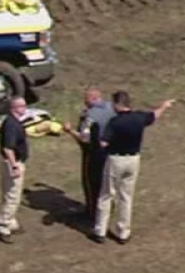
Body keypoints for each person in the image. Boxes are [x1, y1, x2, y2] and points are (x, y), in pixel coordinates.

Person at [92, 92, 176, 244]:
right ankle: (123, 232)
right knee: (126, 196)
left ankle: (100, 231)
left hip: (116, 159)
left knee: (106, 195)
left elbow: (104, 143)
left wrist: (96, 135)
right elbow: (154, 115)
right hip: (133, 160)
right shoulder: (139, 117)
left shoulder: (115, 122)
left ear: (118, 104)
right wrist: (164, 106)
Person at [63, 87, 113, 223]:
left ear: (92, 99)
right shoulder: (111, 107)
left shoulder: (90, 116)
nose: (84, 103)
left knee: (91, 182)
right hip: (110, 150)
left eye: (86, 100)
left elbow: (84, 138)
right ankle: (108, 208)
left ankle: (92, 212)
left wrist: (70, 130)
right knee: (107, 181)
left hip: (92, 152)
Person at [0, 95, 30, 243]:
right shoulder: (11, 124)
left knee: (8, 193)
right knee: (13, 196)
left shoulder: (13, 122)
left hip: (9, 162)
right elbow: (8, 148)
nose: (25, 108)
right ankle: (4, 226)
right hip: (13, 162)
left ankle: (10, 222)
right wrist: (14, 165)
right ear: (14, 108)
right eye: (22, 106)